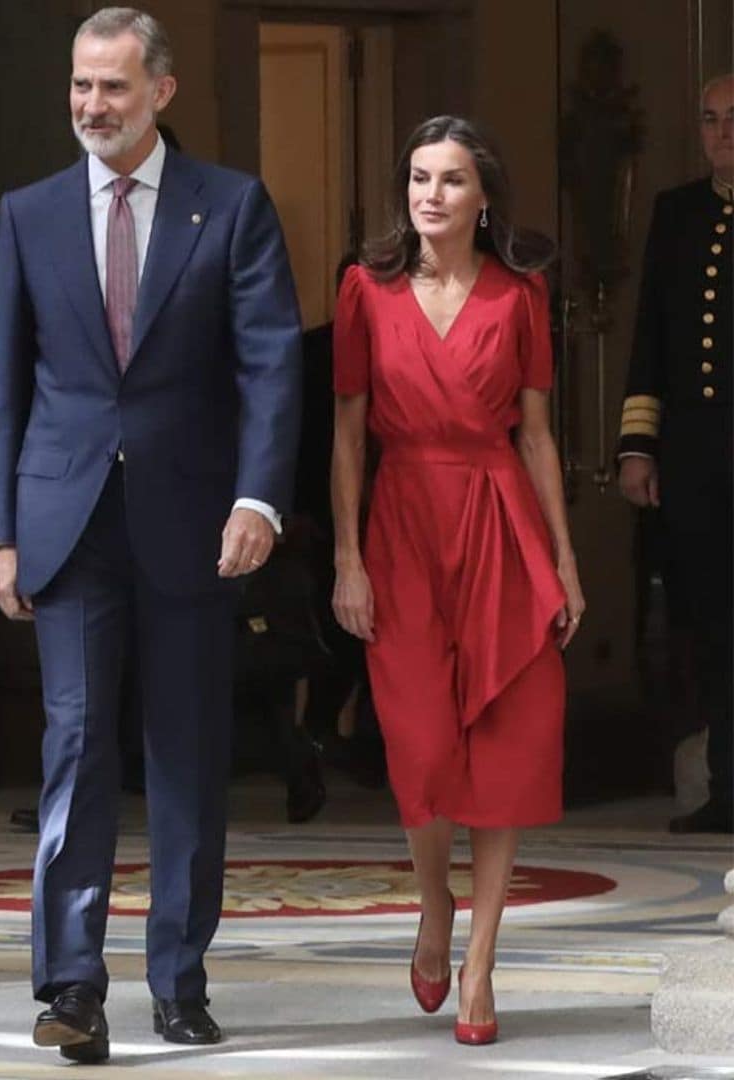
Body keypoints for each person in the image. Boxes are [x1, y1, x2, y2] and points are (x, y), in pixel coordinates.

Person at [0, 7, 302, 1063]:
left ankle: (179, 980)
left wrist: (260, 499)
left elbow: (270, 368)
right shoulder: (28, 213)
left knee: (186, 757)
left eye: (112, 87)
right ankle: (70, 986)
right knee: (73, 745)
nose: (91, 106)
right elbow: (1, 390)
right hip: (65, 522)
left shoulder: (233, 206)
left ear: (161, 92)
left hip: (194, 524)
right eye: (79, 85)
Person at [331, 116, 580, 1046]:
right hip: (400, 525)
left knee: (506, 744)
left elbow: (539, 434)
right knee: (423, 746)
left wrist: (561, 556)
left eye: (451, 180)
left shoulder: (522, 295)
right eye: (418, 177)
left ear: (484, 199)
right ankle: (433, 902)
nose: (429, 194)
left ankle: (479, 965)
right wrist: (347, 557)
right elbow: (349, 433)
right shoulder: (366, 289)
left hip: (500, 520)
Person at [617, 74, 733, 835]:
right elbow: (653, 337)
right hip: (698, 460)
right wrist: (638, 445)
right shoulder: (678, 213)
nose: (722, 131)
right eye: (710, 119)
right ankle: (727, 788)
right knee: (715, 625)